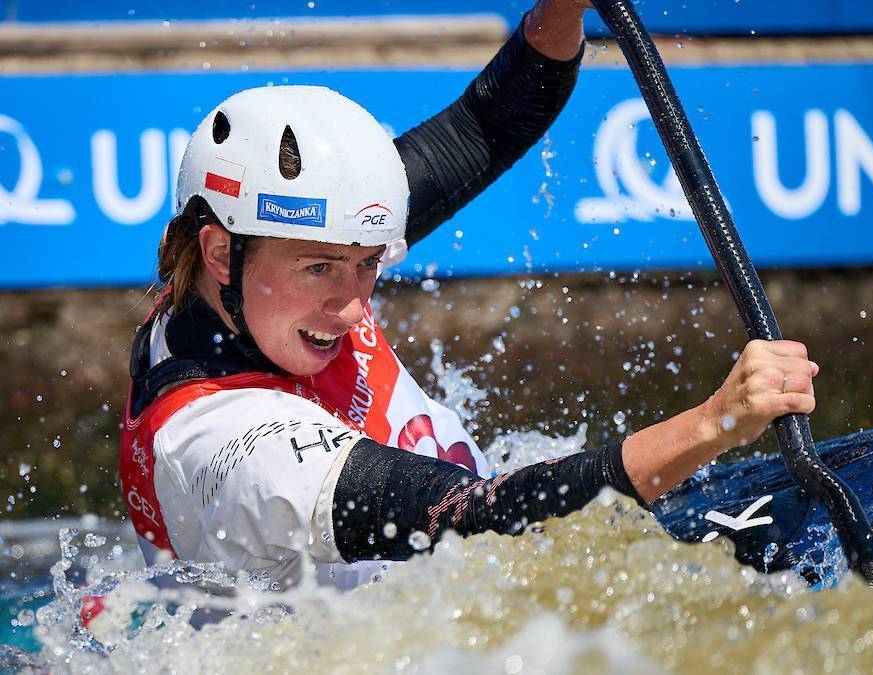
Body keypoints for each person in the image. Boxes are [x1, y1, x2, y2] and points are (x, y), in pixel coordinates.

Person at [118, 0, 819, 592]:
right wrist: (713, 423)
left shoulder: (275, 259)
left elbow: (487, 127)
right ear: (219, 253)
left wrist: (563, 6)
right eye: (322, 270)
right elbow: (472, 513)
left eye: (368, 265)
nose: (355, 306)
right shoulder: (227, 447)